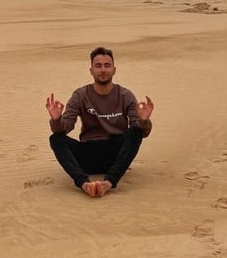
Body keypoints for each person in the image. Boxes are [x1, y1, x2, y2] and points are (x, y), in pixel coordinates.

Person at [46, 46, 154, 197]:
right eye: (98, 66)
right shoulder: (80, 95)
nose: (103, 70)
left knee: (135, 132)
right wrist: (56, 119)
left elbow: (141, 132)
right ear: (91, 70)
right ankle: (83, 183)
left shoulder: (125, 95)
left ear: (114, 70)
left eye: (107, 65)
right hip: (87, 154)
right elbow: (66, 127)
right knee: (56, 139)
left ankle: (109, 182)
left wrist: (143, 121)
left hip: (115, 156)